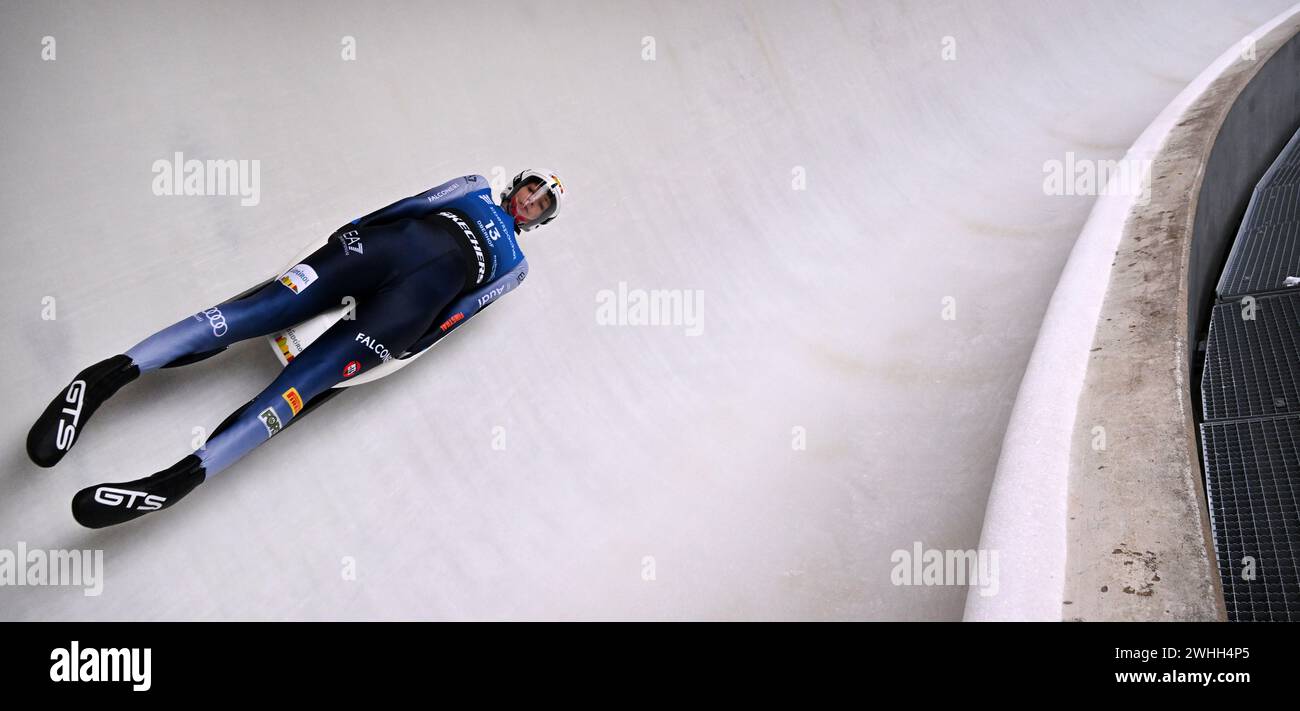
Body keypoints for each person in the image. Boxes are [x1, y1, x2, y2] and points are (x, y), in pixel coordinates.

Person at [26, 169, 566, 528]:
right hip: (369, 254)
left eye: (539, 207)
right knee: (258, 312)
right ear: (517, 183)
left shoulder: (515, 268)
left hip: (401, 315)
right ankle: (106, 376)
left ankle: (186, 475)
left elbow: (462, 312)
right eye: (531, 190)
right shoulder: (472, 185)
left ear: (538, 222)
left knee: (302, 385)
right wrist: (351, 233)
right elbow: (409, 206)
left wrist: (408, 345)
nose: (529, 203)